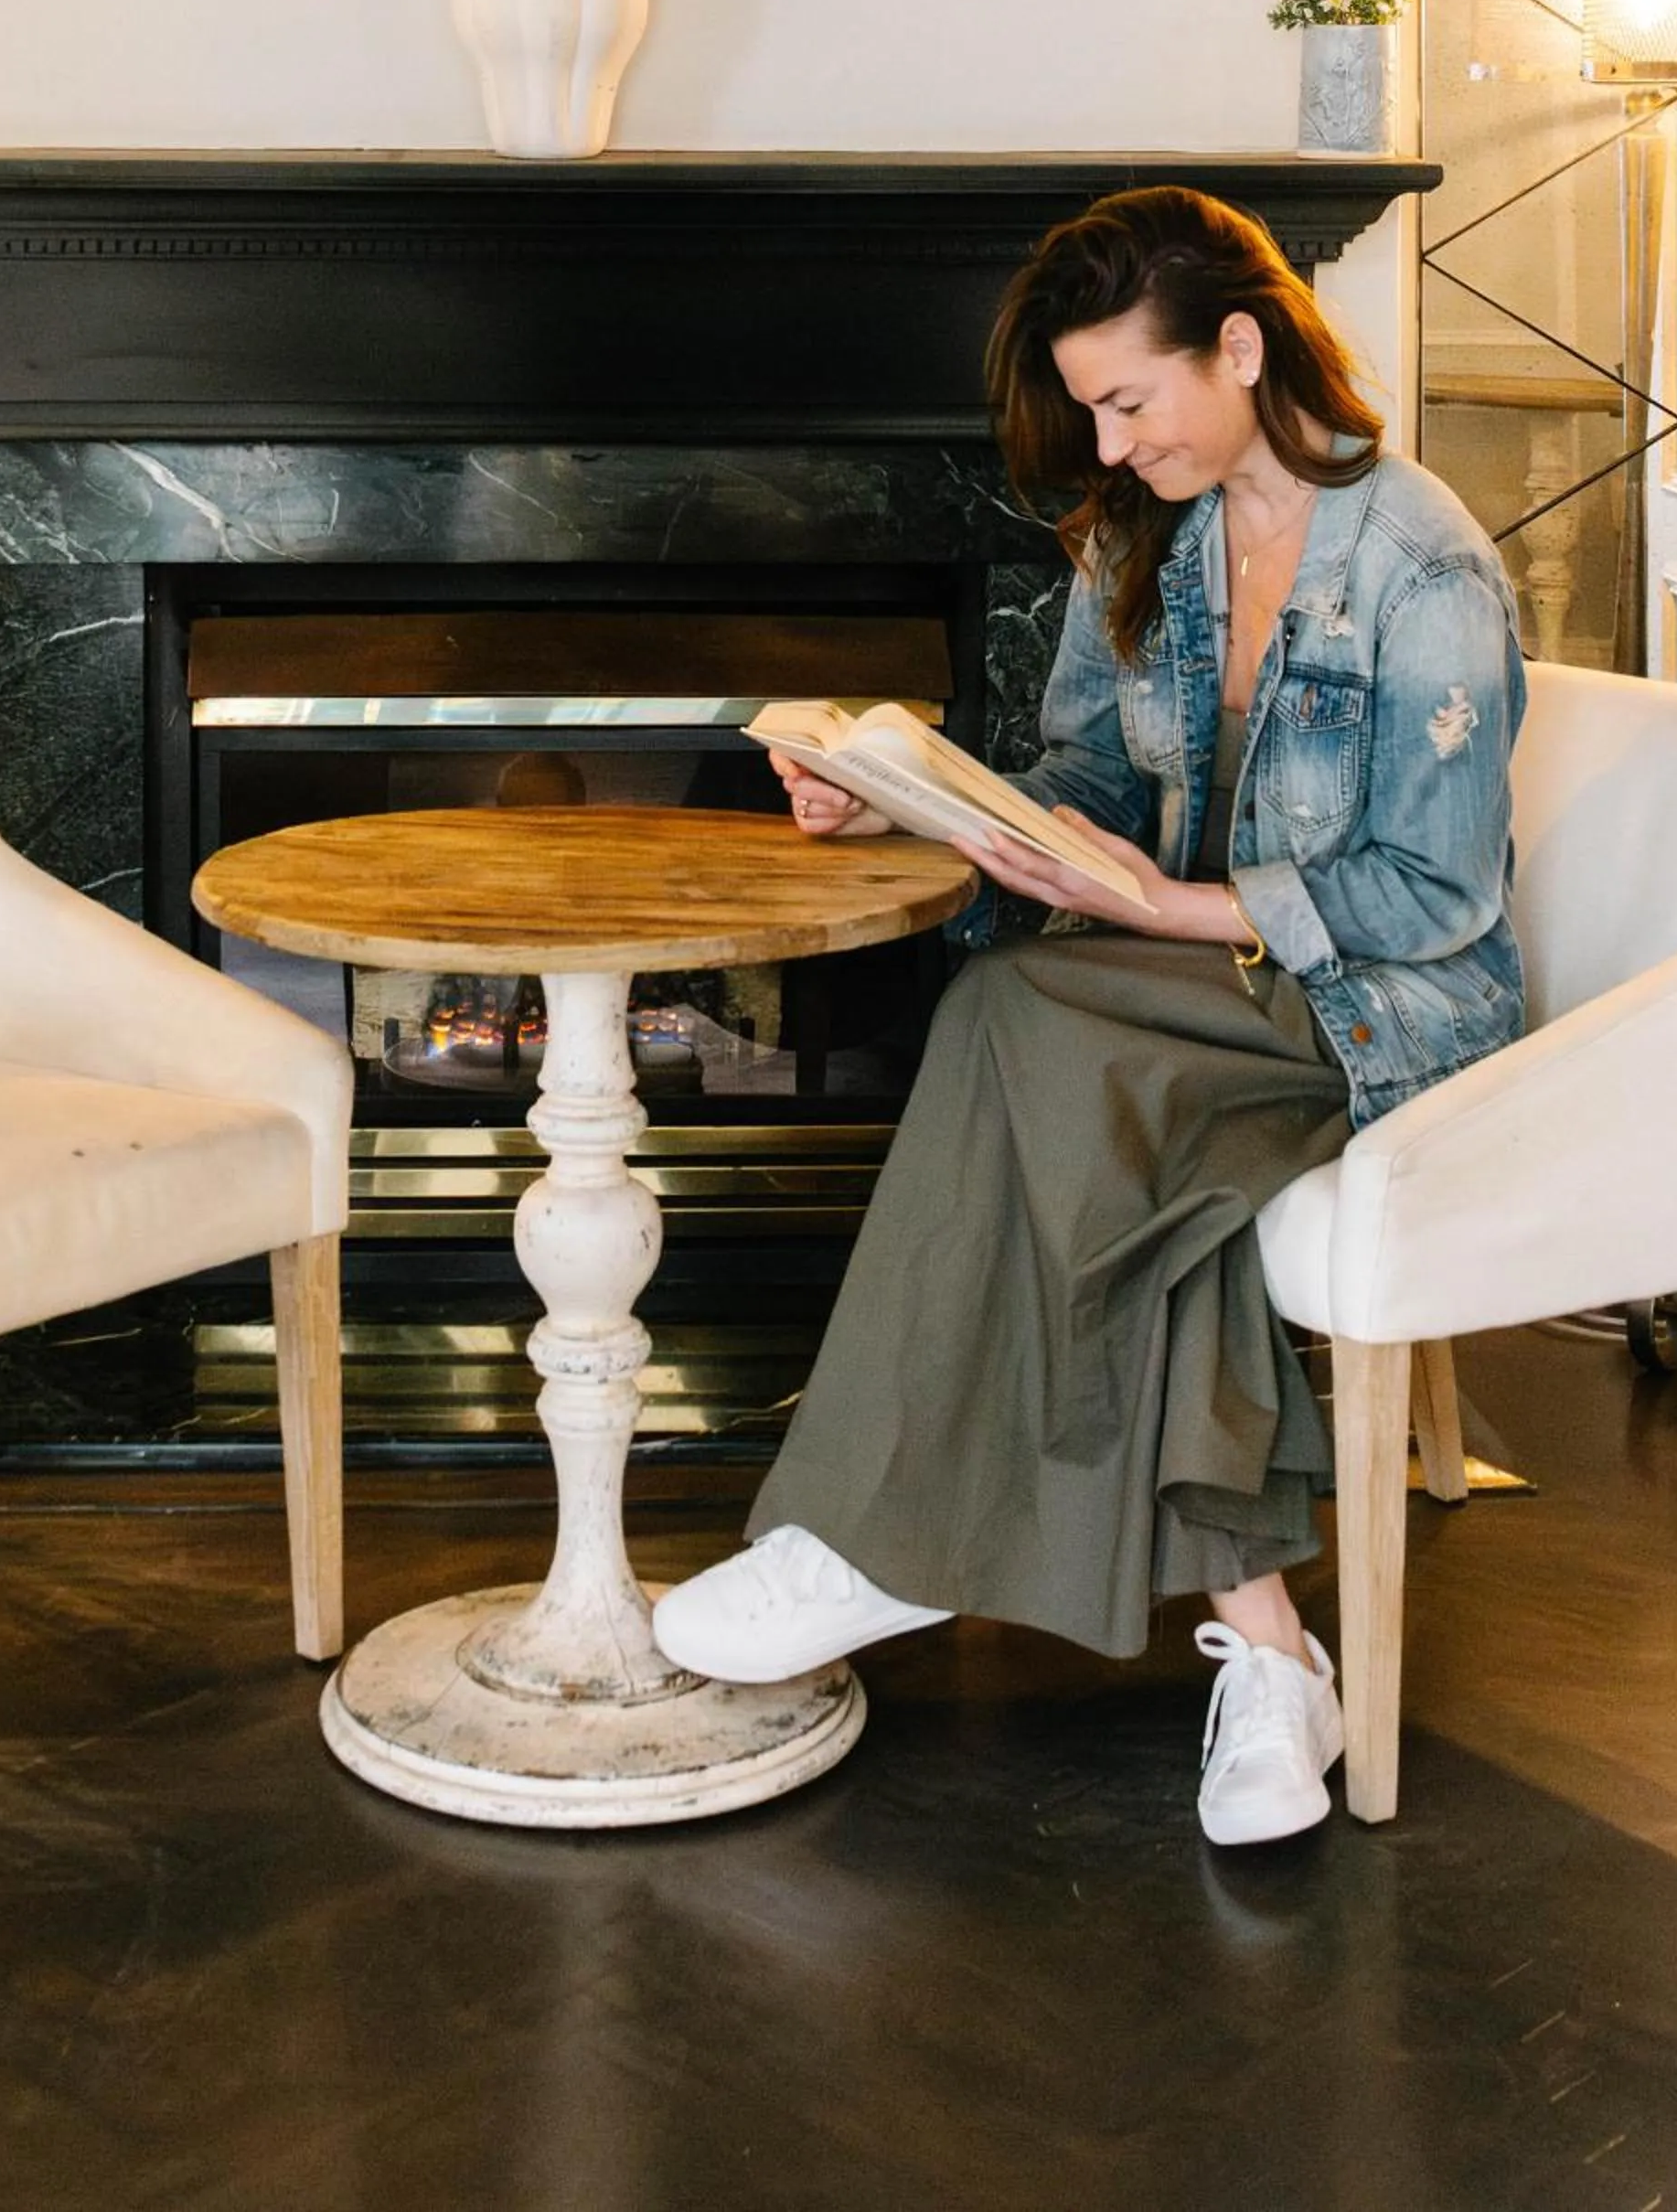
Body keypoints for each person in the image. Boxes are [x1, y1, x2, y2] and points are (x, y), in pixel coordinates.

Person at [652, 186, 1526, 1845]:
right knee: (1101, 1110)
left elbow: (1436, 893)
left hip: (1382, 1016)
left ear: (1242, 348)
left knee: (1021, 1029)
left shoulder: (1422, 567)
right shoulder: (1150, 542)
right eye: (1092, 414)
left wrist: (1177, 909)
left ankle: (874, 1536)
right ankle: (1271, 1659)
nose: (1110, 448)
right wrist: (893, 799)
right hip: (1190, 996)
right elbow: (1084, 783)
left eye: (1128, 401)